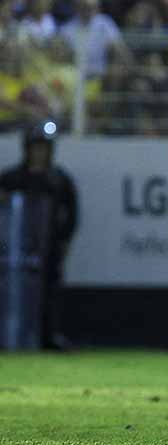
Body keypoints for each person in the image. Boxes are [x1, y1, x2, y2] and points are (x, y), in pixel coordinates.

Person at [0, 121, 78, 350]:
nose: (39, 152)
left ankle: (48, 336)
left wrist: (64, 240)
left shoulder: (59, 179)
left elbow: (71, 213)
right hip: (13, 248)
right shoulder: (11, 178)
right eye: (35, 147)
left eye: (43, 147)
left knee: (49, 291)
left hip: (48, 246)